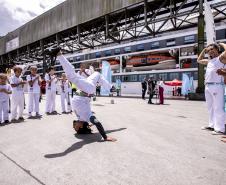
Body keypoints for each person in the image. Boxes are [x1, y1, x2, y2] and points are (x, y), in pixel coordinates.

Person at [45, 47, 116, 141]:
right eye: (75, 127)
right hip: (87, 90)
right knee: (72, 76)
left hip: (84, 88)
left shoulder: (82, 118)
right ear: (79, 128)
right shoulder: (87, 116)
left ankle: (111, 88)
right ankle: (59, 54)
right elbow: (97, 122)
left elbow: (88, 122)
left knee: (97, 74)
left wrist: (88, 125)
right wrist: (105, 137)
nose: (74, 126)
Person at [198, 43, 226, 134]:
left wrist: (221, 44)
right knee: (210, 107)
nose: (210, 51)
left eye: (212, 49)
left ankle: (220, 129)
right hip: (208, 86)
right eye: (209, 50)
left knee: (218, 107)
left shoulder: (220, 59)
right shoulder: (210, 61)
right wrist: (204, 50)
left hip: (217, 85)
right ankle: (212, 125)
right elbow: (199, 60)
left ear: (217, 50)